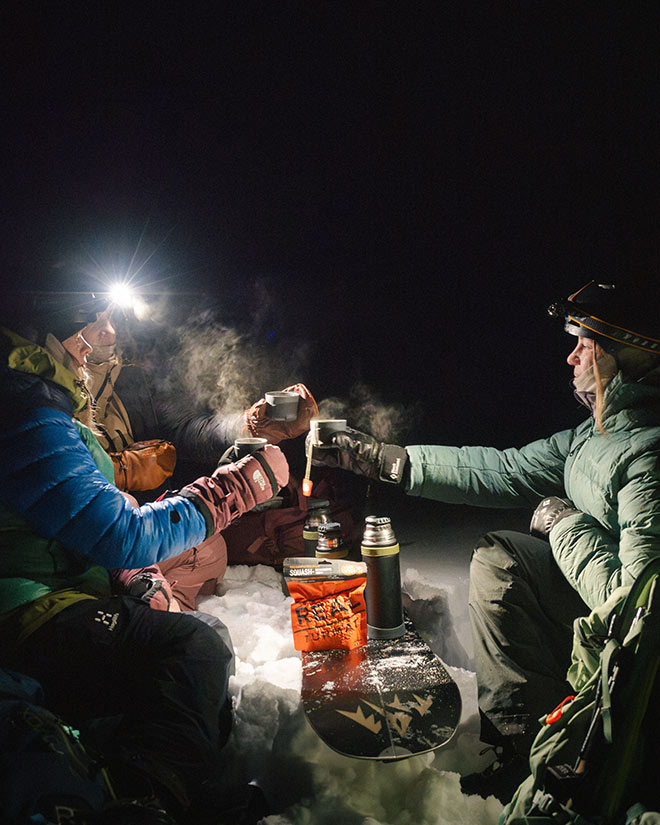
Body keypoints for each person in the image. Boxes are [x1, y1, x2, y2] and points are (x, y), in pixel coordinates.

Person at [309, 280, 660, 802]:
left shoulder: (648, 454)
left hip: (630, 650)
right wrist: (384, 459)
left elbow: (638, 606)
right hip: (593, 613)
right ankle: (523, 739)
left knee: (504, 563)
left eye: (582, 345)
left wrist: (564, 527)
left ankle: (561, 752)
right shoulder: (598, 433)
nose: (570, 358)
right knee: (502, 557)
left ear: (622, 355)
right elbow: (504, 469)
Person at [0, 320, 290, 823]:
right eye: (92, 326)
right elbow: (115, 531)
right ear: (47, 330)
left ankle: (148, 770)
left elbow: (85, 510)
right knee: (195, 647)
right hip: (27, 608)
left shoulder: (51, 399)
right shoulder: (25, 408)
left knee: (200, 622)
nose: (105, 336)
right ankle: (146, 799)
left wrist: (132, 574)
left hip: (65, 581)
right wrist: (227, 493)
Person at [42, 295, 319, 611]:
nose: (110, 332)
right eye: (95, 322)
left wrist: (248, 425)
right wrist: (120, 469)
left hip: (119, 524)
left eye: (112, 320)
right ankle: (133, 609)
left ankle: (146, 600)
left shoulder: (130, 376)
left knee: (211, 549)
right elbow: (54, 469)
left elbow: (189, 428)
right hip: (82, 537)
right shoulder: (41, 393)